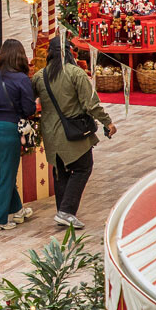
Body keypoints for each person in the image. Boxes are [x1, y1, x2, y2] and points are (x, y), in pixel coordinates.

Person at [31, 37, 116, 230]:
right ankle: (66, 212)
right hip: (73, 133)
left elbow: (29, 102)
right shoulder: (76, 73)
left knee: (60, 171)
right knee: (83, 167)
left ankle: (63, 211)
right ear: (69, 52)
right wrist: (107, 122)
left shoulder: (39, 76)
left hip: (50, 133)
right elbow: (91, 104)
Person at [0, 39, 37, 232]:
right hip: (8, 130)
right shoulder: (22, 79)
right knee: (7, 176)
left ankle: (18, 209)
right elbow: (28, 108)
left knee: (4, 173)